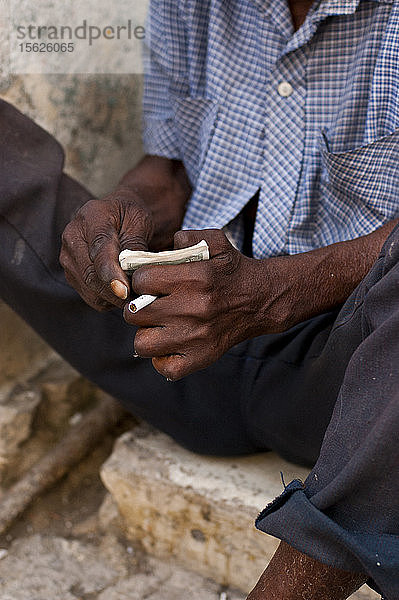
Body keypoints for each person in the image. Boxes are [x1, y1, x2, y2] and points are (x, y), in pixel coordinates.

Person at [1, 0, 399, 598]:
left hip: (351, 381)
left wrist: (268, 295)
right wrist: (123, 213)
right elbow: (171, 167)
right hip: (175, 341)